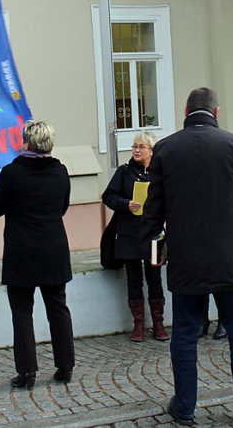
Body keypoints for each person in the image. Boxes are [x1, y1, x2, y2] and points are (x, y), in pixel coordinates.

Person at [142, 87, 233, 426]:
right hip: (231, 257)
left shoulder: (166, 148)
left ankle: (184, 407)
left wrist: (157, 246)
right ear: (216, 111)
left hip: (186, 258)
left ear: (185, 110)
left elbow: (154, 209)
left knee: (184, 335)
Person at [0, 120, 75, 390]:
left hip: (22, 252)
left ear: (27, 143)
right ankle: (65, 366)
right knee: (58, 309)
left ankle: (27, 372)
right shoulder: (61, 172)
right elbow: (63, 206)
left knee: (22, 312)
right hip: (54, 249)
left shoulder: (12, 172)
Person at [101, 131, 169, 342]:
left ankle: (158, 323)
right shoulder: (124, 172)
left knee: (154, 278)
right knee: (134, 279)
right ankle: (138, 324)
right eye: (134, 146)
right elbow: (108, 196)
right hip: (129, 233)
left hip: (153, 234)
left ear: (151, 150)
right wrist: (125, 204)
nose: (137, 150)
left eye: (141, 147)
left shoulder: (159, 172)